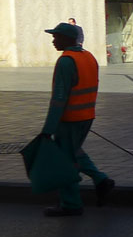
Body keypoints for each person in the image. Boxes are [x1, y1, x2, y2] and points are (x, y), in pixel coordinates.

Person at [40, 22, 113, 217]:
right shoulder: (88, 57)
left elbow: (59, 97)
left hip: (69, 119)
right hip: (86, 116)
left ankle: (71, 204)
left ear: (67, 39)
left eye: (56, 37)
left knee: (65, 161)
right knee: (74, 152)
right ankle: (100, 180)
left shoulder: (66, 61)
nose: (54, 41)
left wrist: (48, 128)